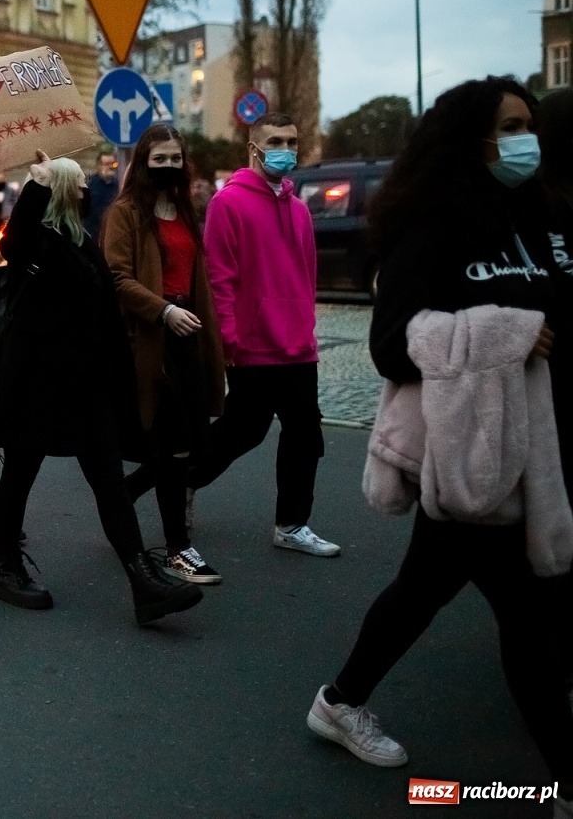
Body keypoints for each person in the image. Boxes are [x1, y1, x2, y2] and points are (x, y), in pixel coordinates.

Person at [306, 77, 573, 795]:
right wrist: (503, 335)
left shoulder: (527, 212)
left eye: (530, 124)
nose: (526, 138)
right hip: (466, 457)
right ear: (470, 138)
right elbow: (393, 349)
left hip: (529, 449)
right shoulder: (430, 228)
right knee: (529, 613)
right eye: (511, 125)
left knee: (423, 588)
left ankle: (339, 702)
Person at [0, 154, 203, 625]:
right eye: (79, 182)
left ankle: (142, 578)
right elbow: (16, 242)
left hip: (86, 389)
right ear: (64, 191)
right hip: (35, 388)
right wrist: (35, 187)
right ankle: (7, 568)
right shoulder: (38, 241)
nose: (88, 189)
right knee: (18, 478)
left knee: (109, 484)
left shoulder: (81, 241)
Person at [183, 113, 340, 556]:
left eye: (292, 141)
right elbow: (220, 277)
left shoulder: (299, 208)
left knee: (306, 434)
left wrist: (306, 329)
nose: (285, 150)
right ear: (253, 147)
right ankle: (179, 478)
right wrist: (229, 338)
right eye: (276, 140)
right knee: (242, 431)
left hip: (297, 347)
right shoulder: (227, 204)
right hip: (252, 345)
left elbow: (307, 277)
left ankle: (291, 525)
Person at [104, 125, 227, 584]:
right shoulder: (126, 212)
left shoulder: (183, 209)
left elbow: (199, 273)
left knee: (189, 441)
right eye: (160, 158)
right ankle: (178, 549)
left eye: (175, 158)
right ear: (143, 161)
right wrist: (163, 311)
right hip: (151, 338)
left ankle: (124, 495)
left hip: (189, 334)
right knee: (172, 445)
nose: (168, 166)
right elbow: (115, 278)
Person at [84, 150, 119, 242]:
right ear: (99, 166)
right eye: (107, 164)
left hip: (111, 234)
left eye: (113, 164)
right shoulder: (88, 184)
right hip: (92, 234)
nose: (111, 167)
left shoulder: (119, 186)